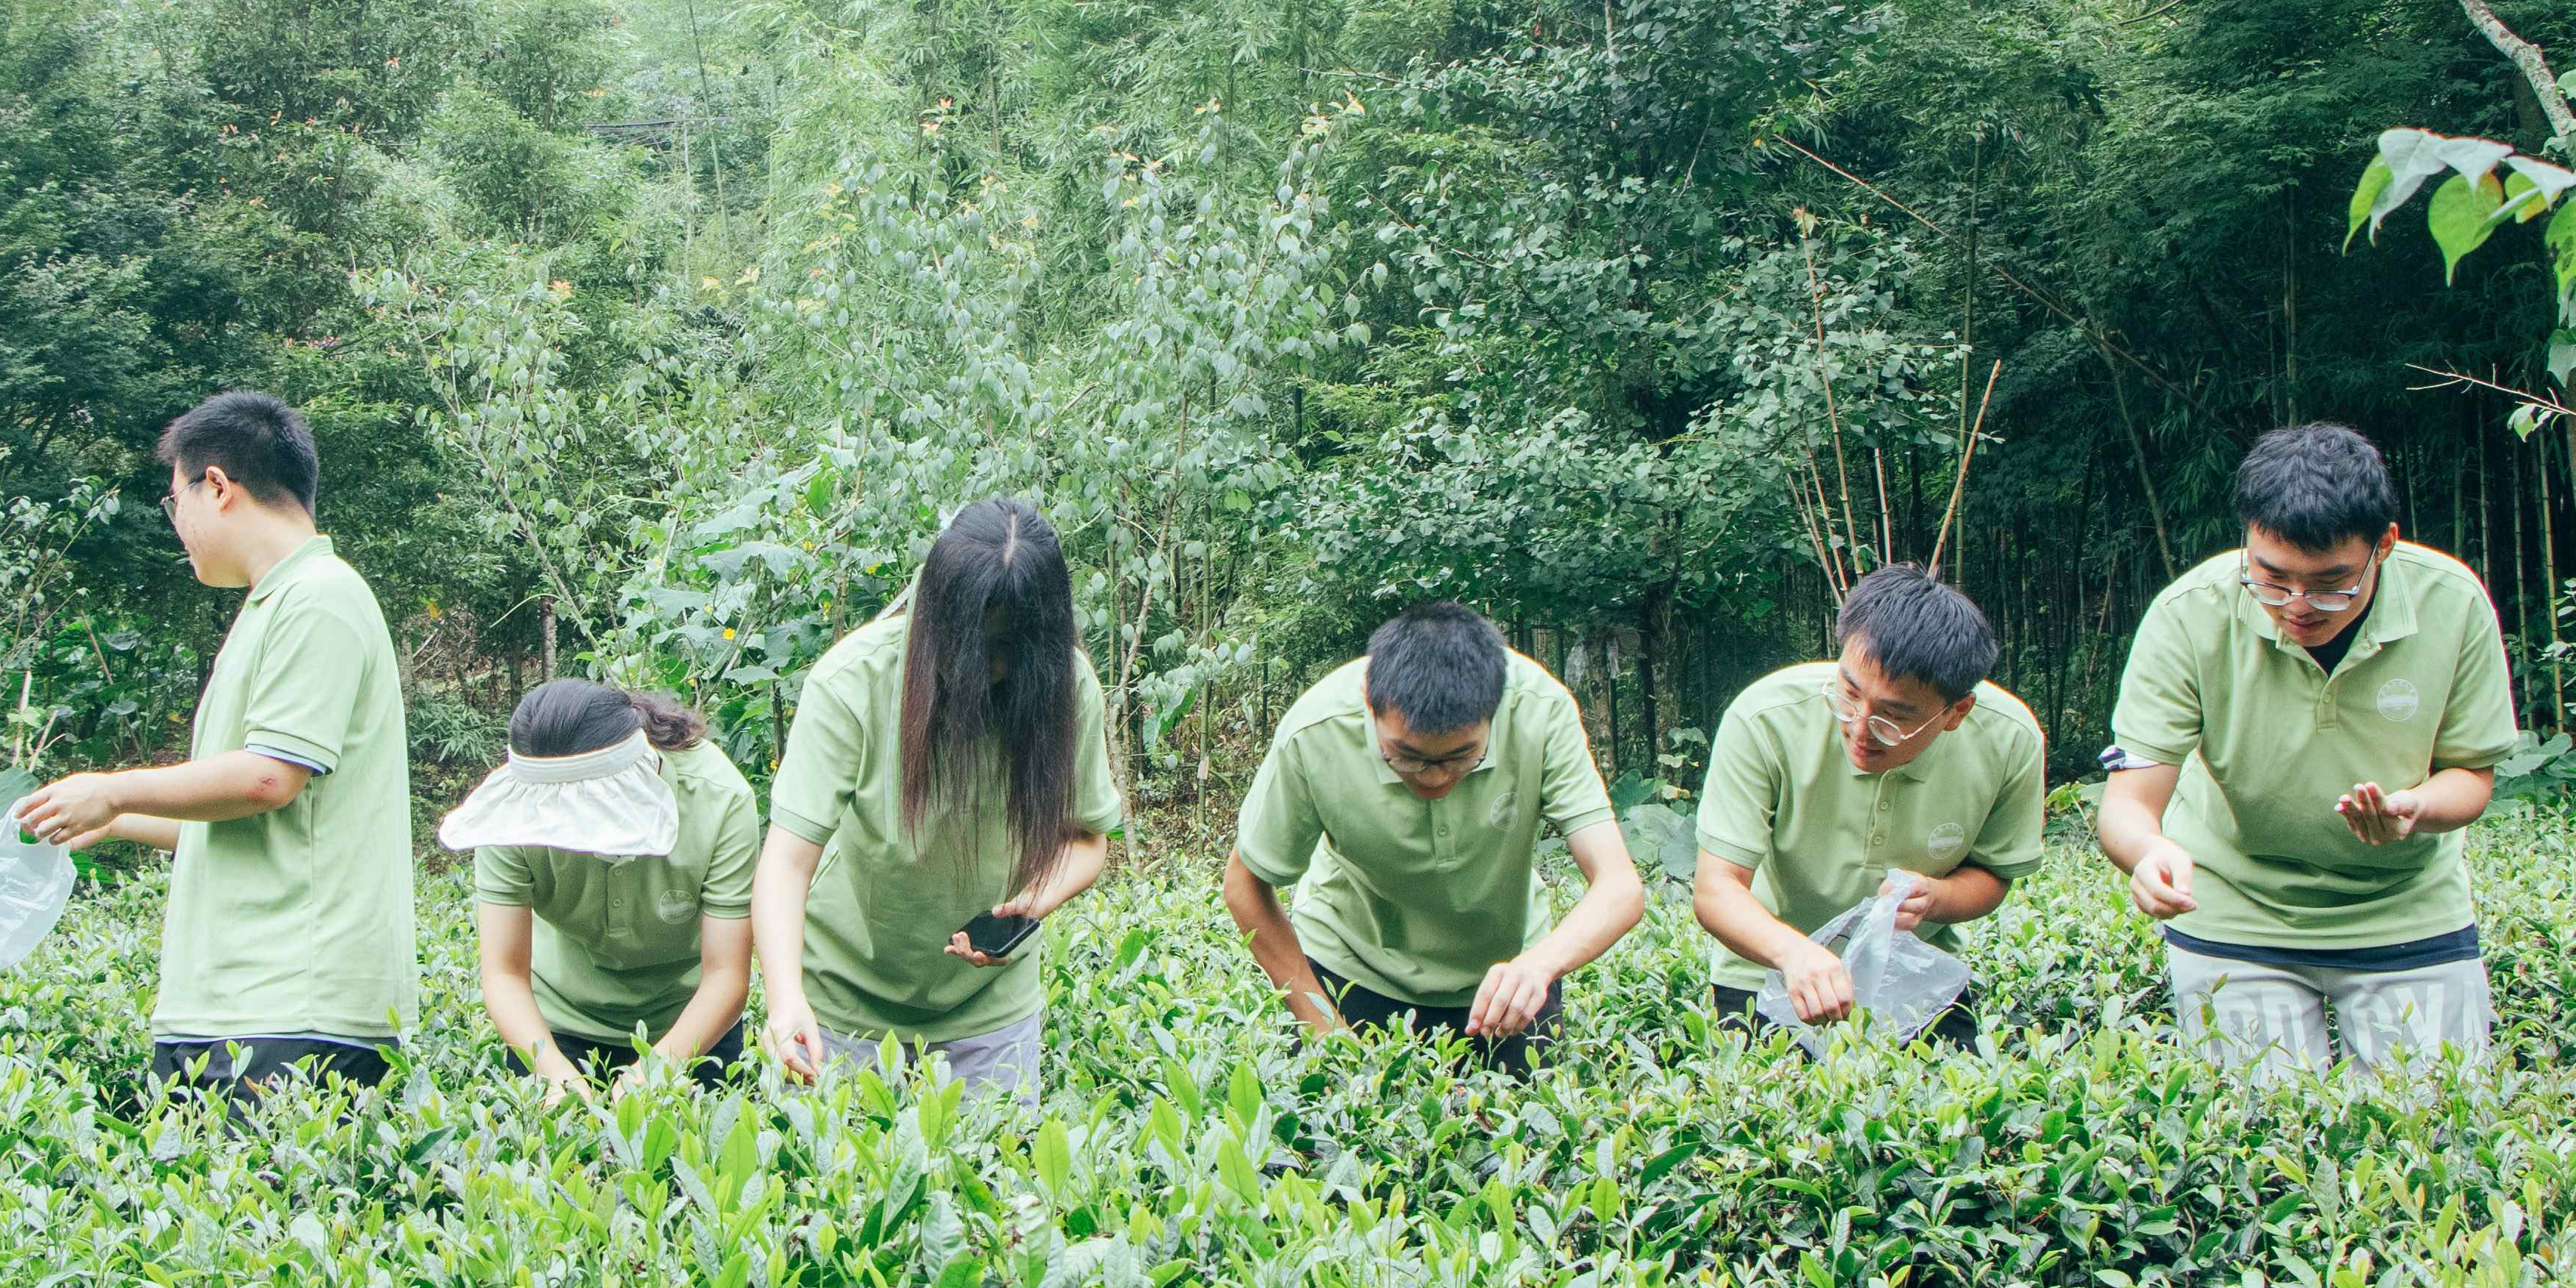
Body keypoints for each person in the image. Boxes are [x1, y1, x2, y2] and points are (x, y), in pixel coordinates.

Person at [15, 390, 415, 1099]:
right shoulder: (272, 604)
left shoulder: (318, 596)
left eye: (177, 504)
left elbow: (268, 780)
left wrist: (112, 786)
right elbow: (247, 813)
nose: (181, 529)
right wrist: (106, 820)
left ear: (219, 487)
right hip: (235, 1006)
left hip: (293, 1006)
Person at [2097, 422, 2519, 1074]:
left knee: (2437, 1143)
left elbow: (2471, 775)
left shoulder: (2452, 602)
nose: (2298, 606)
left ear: (2385, 546)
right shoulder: (2189, 614)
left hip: (2407, 913)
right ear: (2247, 539)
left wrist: (2417, 807)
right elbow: (2129, 802)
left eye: (2332, 583)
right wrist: (2149, 853)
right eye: (2271, 577)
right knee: (2259, 1151)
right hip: (2234, 914)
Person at [757, 497, 1122, 1097]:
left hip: (989, 1013)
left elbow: (1088, 840)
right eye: (970, 645)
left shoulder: (1068, 687)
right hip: (844, 1002)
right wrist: (785, 999)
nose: (988, 668)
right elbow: (787, 861)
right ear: (932, 614)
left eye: (1008, 650)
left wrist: (1028, 906)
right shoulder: (853, 681)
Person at [1219, 602, 1645, 1065]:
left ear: (1496, 711)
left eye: (1461, 756)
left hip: (1507, 980)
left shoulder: (1541, 711)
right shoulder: (1317, 730)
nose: (1435, 778)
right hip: (1351, 971)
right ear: (1369, 703)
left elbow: (1619, 885)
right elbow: (1245, 883)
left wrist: (1540, 965)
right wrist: (1319, 1019)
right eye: (1407, 757)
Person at [1691, 564, 2047, 1045]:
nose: (1859, 729)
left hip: (1911, 979)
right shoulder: (1765, 719)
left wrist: (1936, 898)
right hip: (1764, 973)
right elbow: (1717, 890)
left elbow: (1993, 874)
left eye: (1893, 717)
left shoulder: (2010, 740)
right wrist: (1793, 954)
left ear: (1955, 713)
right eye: (1850, 694)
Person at [442, 678, 760, 1091]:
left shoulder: (719, 798)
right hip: (552, 1025)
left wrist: (655, 1073)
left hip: (691, 1023)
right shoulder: (516, 812)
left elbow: (726, 974)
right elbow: (504, 973)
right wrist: (556, 1078)